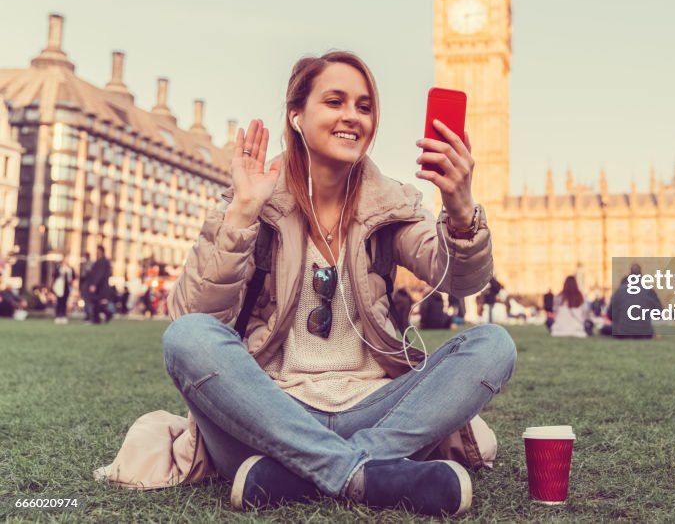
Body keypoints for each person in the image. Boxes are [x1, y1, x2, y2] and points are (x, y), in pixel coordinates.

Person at [97, 51, 515, 518]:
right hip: (270, 413)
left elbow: (459, 280)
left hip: (373, 410)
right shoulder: (255, 197)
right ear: (296, 115)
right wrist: (241, 216)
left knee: (493, 344)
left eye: (363, 106)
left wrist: (460, 210)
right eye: (334, 101)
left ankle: (303, 475)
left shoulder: (392, 205)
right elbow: (194, 316)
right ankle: (366, 474)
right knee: (186, 338)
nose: (351, 117)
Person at [604, 264, 662, 339]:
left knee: (605, 329)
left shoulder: (619, 291)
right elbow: (659, 313)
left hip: (621, 333)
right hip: (645, 333)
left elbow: (611, 315)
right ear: (641, 275)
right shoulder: (649, 291)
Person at [82, 246, 113, 324]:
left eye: (98, 251)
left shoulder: (102, 261)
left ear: (102, 252)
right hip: (99, 286)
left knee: (94, 301)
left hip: (99, 287)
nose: (96, 253)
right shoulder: (101, 261)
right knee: (97, 302)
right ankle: (105, 314)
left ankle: (97, 318)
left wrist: (94, 284)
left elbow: (99, 274)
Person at [51, 257, 75, 325]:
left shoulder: (70, 269)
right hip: (59, 288)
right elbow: (54, 275)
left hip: (66, 288)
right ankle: (58, 316)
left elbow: (73, 277)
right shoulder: (58, 268)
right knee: (59, 302)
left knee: (64, 302)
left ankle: (63, 316)